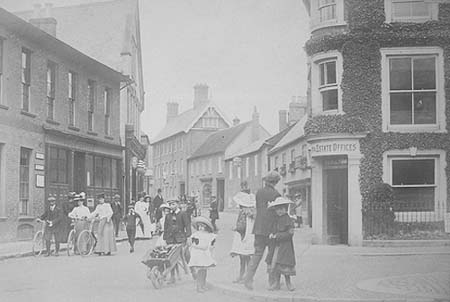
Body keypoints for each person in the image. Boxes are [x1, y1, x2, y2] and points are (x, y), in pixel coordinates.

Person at [243, 170, 281, 290]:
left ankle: (248, 279)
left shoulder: (259, 192)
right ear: (275, 182)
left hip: (259, 228)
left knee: (257, 254)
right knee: (272, 255)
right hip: (271, 230)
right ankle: (272, 282)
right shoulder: (276, 195)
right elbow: (277, 214)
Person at [265, 197, 296, 291]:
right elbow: (273, 229)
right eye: (278, 209)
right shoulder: (276, 220)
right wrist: (271, 234)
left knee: (285, 265)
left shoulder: (289, 220)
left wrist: (277, 236)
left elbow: (290, 233)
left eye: (282, 209)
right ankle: (276, 283)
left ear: (285, 209)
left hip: (285, 246)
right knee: (276, 264)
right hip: (276, 246)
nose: (280, 211)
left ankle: (288, 283)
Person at [163, 199, 192, 284]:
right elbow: (166, 227)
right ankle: (173, 277)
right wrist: (165, 237)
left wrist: (188, 236)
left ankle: (193, 272)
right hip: (171, 239)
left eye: (173, 204)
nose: (172, 206)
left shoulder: (183, 214)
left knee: (186, 255)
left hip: (181, 238)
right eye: (170, 204)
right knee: (172, 257)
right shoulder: (168, 215)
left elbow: (187, 225)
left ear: (177, 204)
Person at [230, 191, 256, 283]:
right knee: (244, 258)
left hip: (244, 237)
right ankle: (243, 276)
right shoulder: (250, 212)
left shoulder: (244, 213)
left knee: (244, 258)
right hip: (246, 236)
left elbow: (243, 226)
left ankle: (246, 277)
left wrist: (236, 228)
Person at [189, 216, 217, 293]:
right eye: (199, 226)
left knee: (204, 271)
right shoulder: (196, 235)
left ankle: (203, 284)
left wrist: (211, 248)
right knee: (200, 271)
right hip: (198, 254)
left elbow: (211, 244)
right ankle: (199, 286)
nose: (201, 228)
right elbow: (194, 244)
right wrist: (196, 246)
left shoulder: (209, 235)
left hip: (205, 254)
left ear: (206, 227)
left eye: (203, 226)